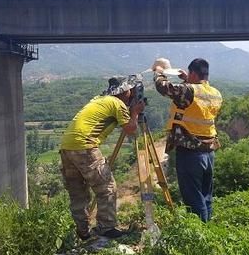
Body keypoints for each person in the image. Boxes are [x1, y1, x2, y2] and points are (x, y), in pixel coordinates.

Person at [59, 76, 145, 240]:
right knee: (107, 188)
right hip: (85, 146)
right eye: (131, 90)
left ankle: (83, 232)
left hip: (66, 146)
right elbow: (130, 129)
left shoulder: (98, 99)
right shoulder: (117, 103)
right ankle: (106, 228)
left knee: (78, 193)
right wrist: (135, 112)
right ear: (126, 91)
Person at [153, 58, 222, 222]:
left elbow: (164, 88)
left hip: (190, 152)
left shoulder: (189, 91)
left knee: (193, 199)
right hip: (208, 152)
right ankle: (208, 230)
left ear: (192, 73)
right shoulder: (215, 93)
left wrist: (158, 72)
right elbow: (194, 95)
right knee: (205, 197)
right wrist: (186, 79)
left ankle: (199, 237)